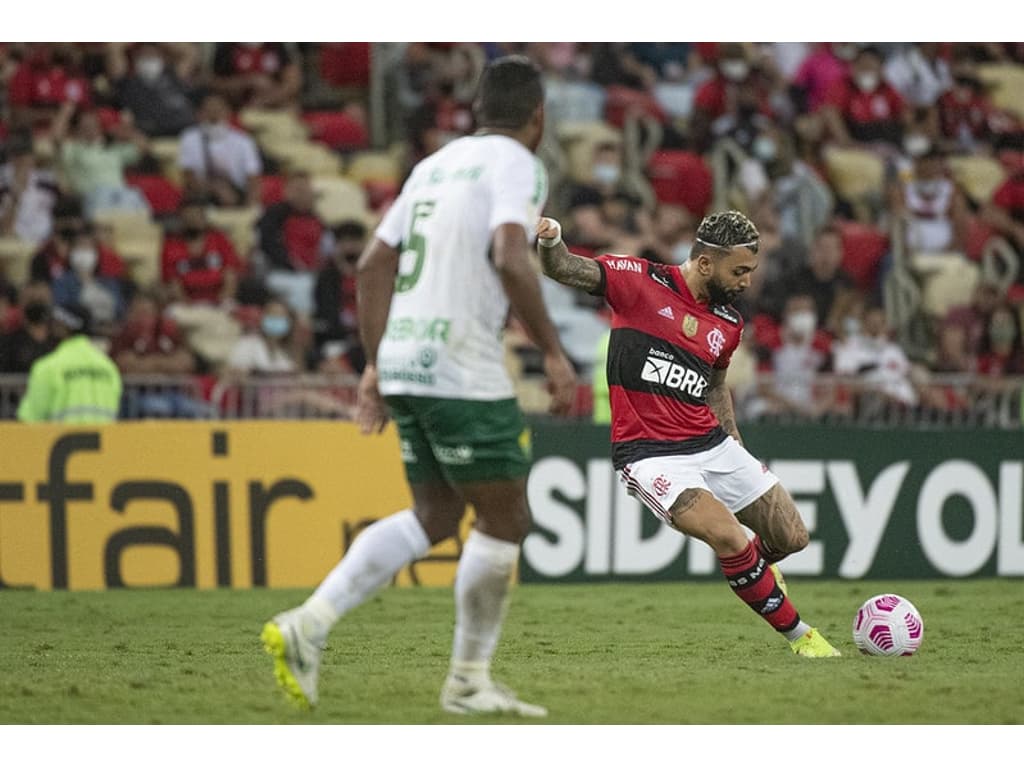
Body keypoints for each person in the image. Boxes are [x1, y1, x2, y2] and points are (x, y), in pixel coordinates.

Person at [260, 55, 577, 717]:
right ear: (537, 116)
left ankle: (310, 624)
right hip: (460, 362)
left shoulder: (432, 165)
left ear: (475, 108)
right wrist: (552, 350)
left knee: (435, 516)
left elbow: (373, 265)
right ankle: (466, 681)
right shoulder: (518, 164)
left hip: (406, 358)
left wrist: (375, 366)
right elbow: (511, 254)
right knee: (506, 516)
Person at [535, 209, 841, 658]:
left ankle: (754, 570)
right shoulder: (637, 280)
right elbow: (564, 267)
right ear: (703, 264)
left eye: (751, 271)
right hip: (650, 455)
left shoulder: (729, 324)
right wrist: (551, 240)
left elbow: (715, 387)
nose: (747, 281)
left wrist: (734, 444)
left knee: (792, 537)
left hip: (711, 443)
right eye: (738, 271)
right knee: (728, 537)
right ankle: (804, 639)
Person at [17, 303, 122, 423]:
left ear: (63, 326)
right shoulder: (109, 367)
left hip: (55, 440)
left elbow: (30, 418)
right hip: (106, 441)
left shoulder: (47, 367)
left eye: (55, 322)